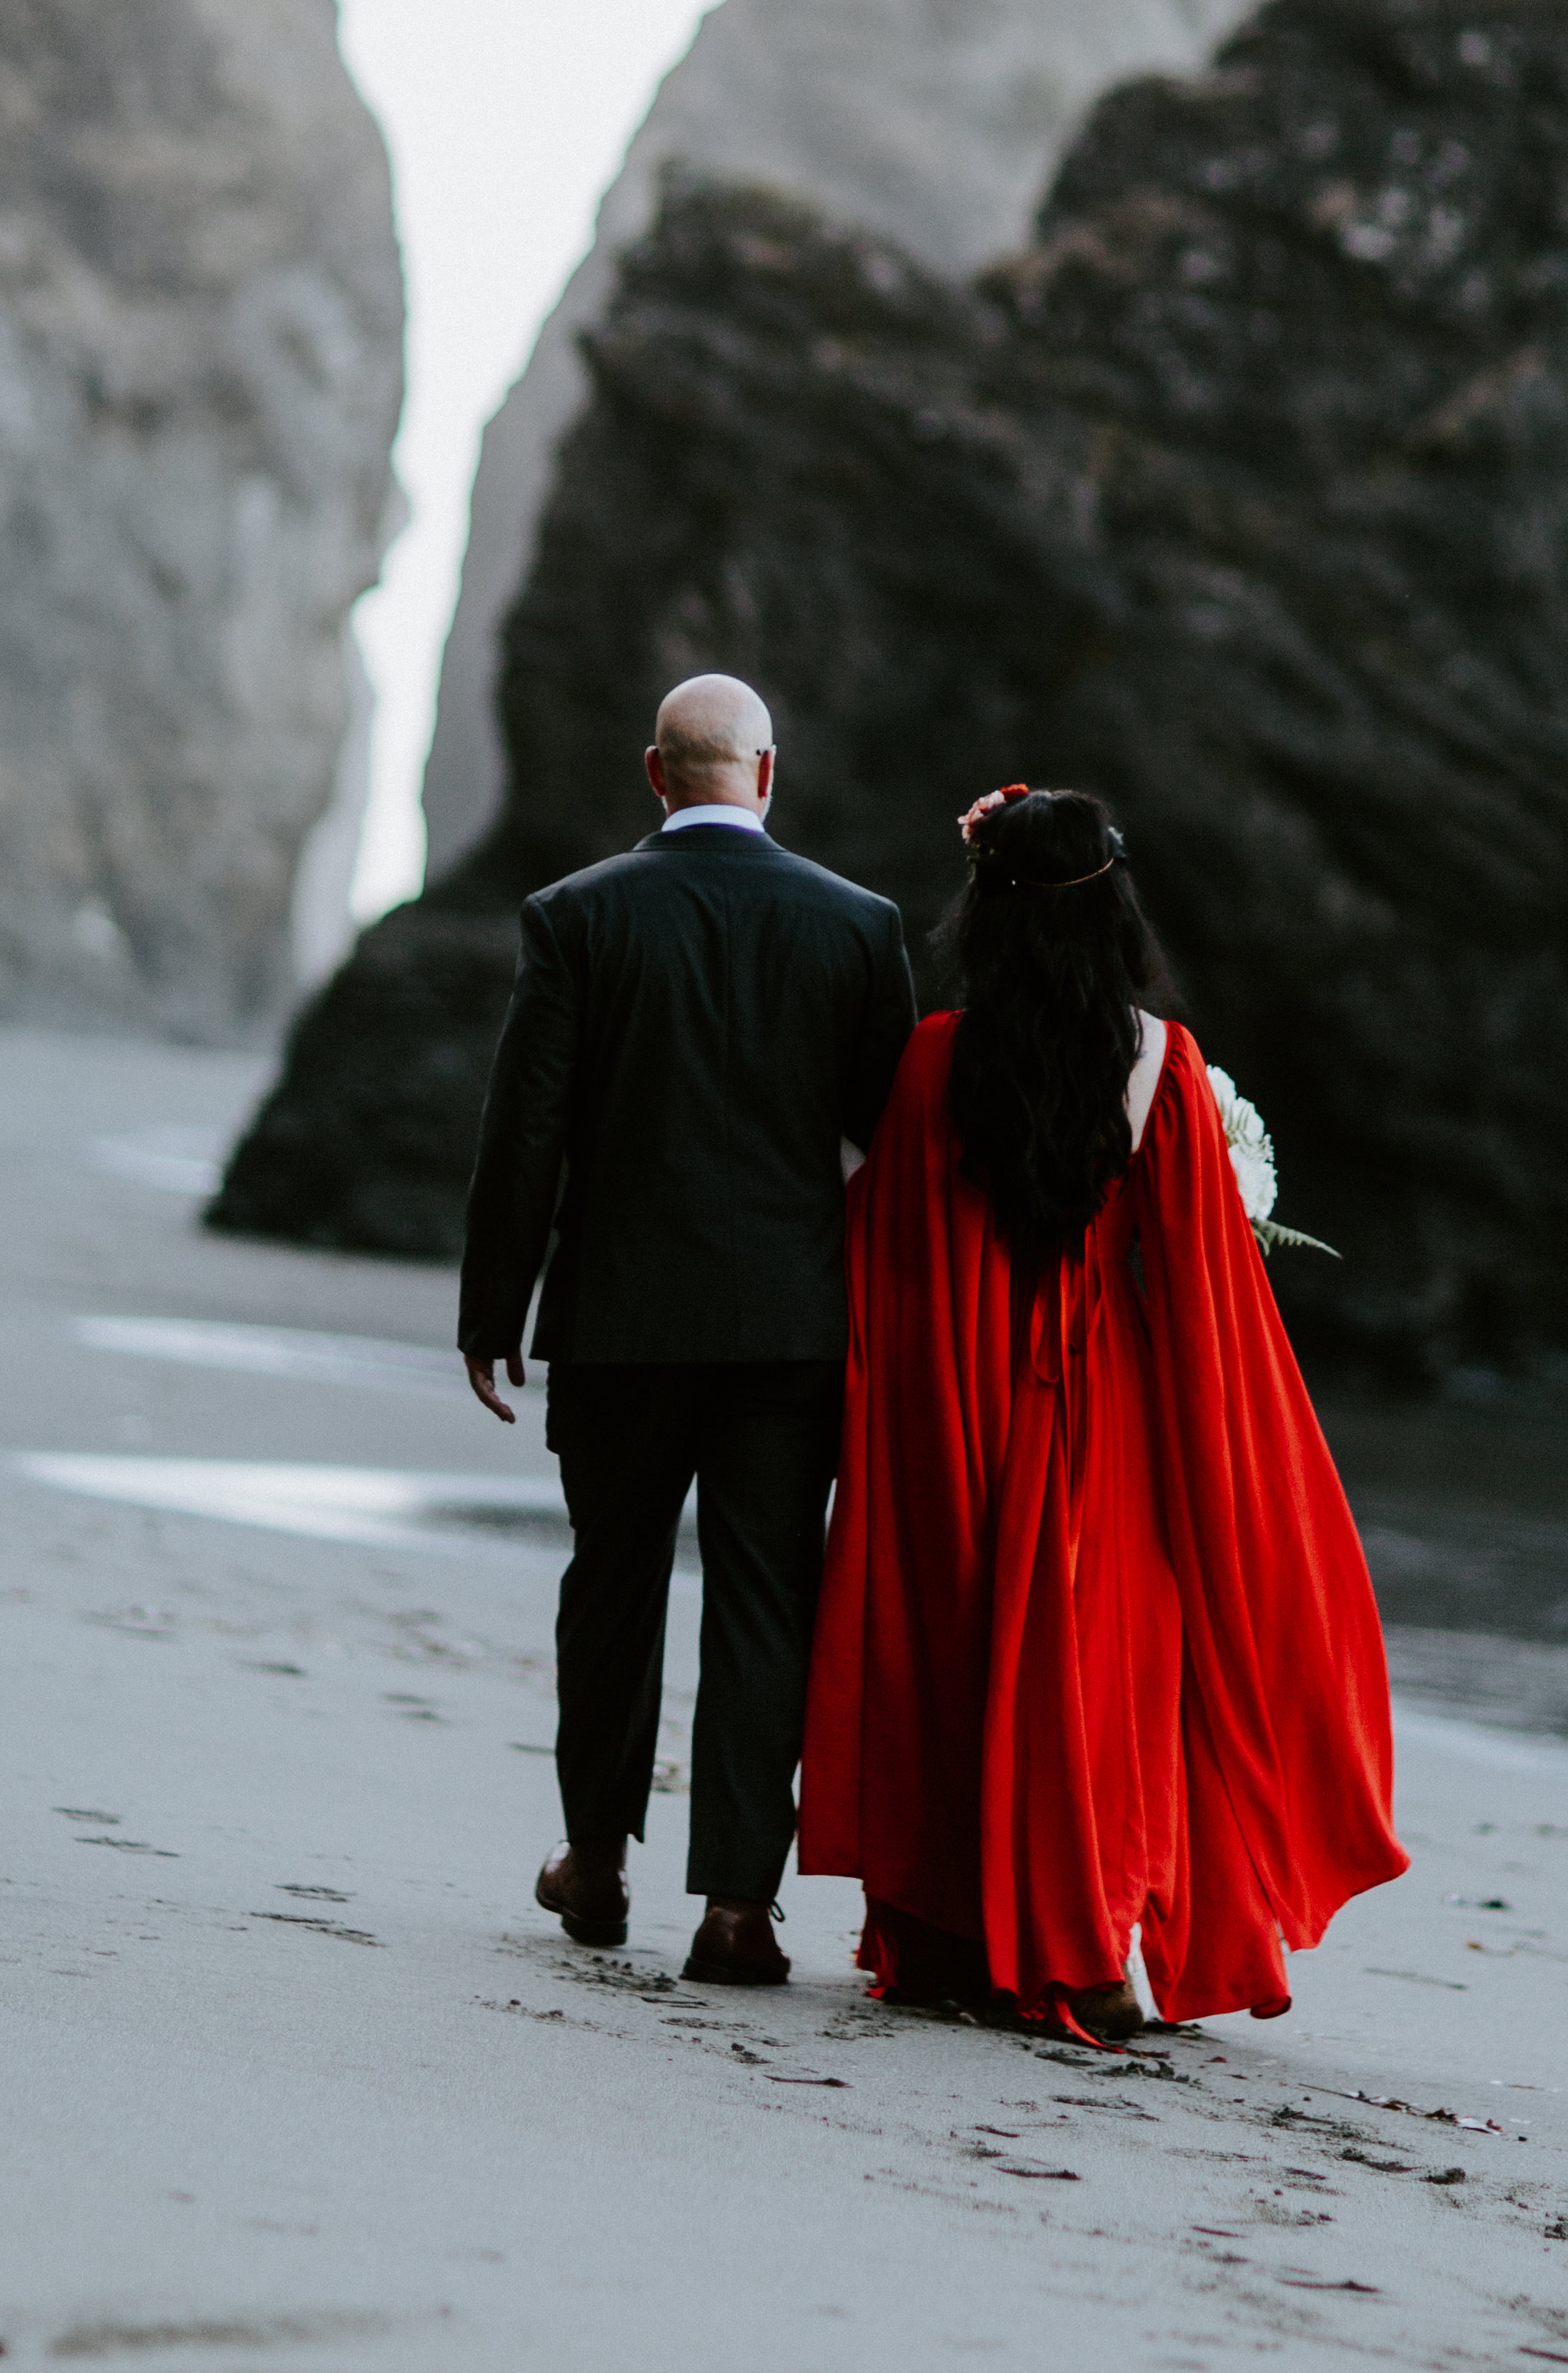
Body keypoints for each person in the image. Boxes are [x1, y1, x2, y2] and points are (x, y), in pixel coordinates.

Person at [801, 783, 1407, 2040]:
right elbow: (1201, 1291)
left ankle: (961, 1936)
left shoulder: (929, 1059)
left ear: (988, 911)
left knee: (961, 1654)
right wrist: (1225, 1455)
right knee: (1105, 1667)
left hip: (963, 1403)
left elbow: (887, 1250)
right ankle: (1085, 1942)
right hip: (1106, 1415)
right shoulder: (1160, 1064)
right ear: (1117, 905)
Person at [460, 673, 917, 1987]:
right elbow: (893, 1143)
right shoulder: (857, 925)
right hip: (787, 1330)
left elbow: (525, 1131)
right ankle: (734, 1909)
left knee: (610, 1589)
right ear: (766, 778)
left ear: (655, 775)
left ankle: (596, 1861)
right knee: (767, 1600)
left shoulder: (577, 917)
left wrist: (495, 1310)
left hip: (617, 1324)